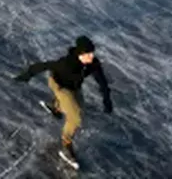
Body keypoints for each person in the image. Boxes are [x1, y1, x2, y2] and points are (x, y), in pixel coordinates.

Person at [13, 36, 113, 170]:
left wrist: (107, 99)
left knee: (79, 109)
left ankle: (56, 107)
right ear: (80, 54)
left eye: (92, 52)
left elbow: (102, 81)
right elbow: (44, 65)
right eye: (88, 53)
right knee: (75, 117)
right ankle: (66, 144)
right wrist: (27, 75)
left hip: (74, 87)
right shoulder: (66, 63)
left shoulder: (93, 63)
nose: (92, 56)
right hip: (59, 85)